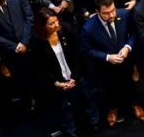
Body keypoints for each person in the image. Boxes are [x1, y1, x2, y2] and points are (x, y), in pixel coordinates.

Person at [32, 8, 99, 136]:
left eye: (56, 21)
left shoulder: (66, 29)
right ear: (42, 26)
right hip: (58, 78)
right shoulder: (37, 41)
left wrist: (75, 76)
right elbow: (41, 67)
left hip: (75, 73)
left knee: (86, 96)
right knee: (63, 106)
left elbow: (77, 54)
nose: (56, 25)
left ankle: (94, 120)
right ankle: (70, 129)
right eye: (51, 23)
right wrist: (56, 83)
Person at [81, 0, 144, 127]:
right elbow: (87, 50)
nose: (111, 15)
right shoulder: (88, 28)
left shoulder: (124, 14)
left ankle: (134, 104)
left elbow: (135, 32)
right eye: (106, 13)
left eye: (113, 10)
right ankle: (113, 109)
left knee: (131, 84)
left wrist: (128, 47)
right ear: (97, 12)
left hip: (126, 59)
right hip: (105, 66)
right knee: (110, 88)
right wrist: (107, 57)